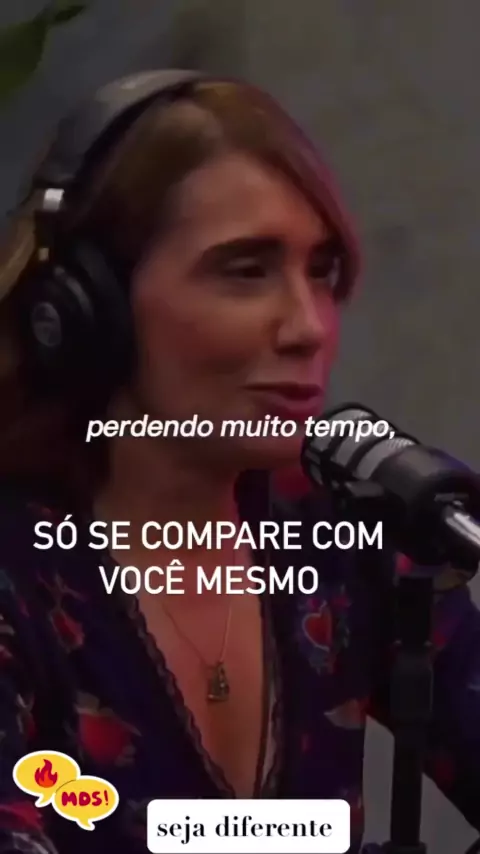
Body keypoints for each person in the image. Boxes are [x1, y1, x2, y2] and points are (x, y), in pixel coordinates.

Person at [0, 69, 478, 854]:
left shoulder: (348, 533)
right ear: (87, 308)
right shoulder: (18, 573)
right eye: (246, 271)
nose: (309, 326)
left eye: (321, 272)